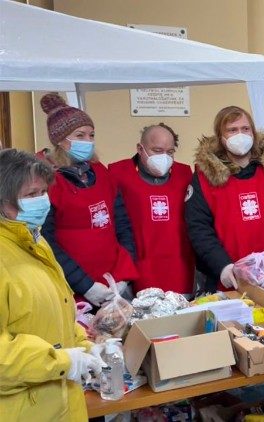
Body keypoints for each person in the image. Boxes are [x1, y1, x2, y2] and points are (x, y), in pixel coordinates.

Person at [0, 149, 105, 421]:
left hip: (61, 404)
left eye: (43, 192)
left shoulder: (35, 241)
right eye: (31, 194)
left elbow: (58, 314)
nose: (42, 201)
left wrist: (85, 346)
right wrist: (62, 362)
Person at [38, 93, 138, 306]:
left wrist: (123, 275)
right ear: (60, 140)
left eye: (91, 135)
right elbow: (46, 241)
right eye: (80, 135)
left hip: (113, 287)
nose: (88, 141)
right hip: (72, 290)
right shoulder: (45, 181)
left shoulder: (101, 173)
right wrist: (86, 286)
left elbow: (123, 227)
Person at [186, 105, 264, 293]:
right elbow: (198, 228)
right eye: (232, 130)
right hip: (230, 280)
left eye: (245, 129)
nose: (240, 135)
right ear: (221, 137)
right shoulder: (204, 178)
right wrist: (222, 266)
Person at [109, 123, 195, 296]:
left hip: (179, 267)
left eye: (170, 152)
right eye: (157, 150)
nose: (164, 156)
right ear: (140, 149)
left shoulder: (184, 174)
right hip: (139, 268)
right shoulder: (117, 173)